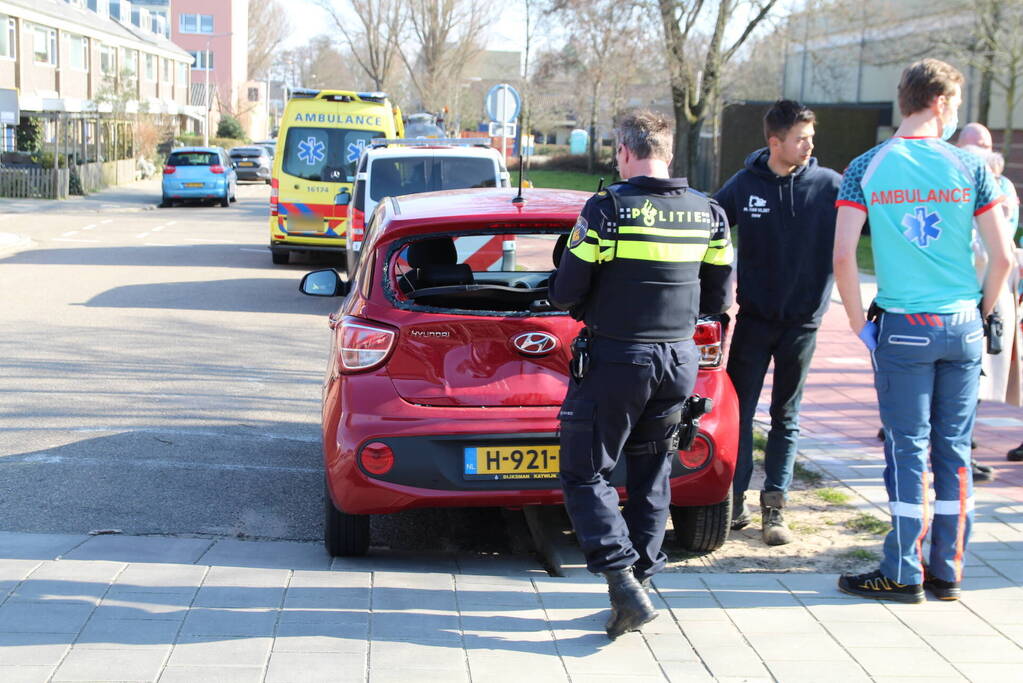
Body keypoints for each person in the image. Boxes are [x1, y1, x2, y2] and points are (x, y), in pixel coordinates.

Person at [833, 58, 1012, 603]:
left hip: (904, 328)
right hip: (961, 324)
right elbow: (1003, 257)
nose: (956, 114)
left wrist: (860, 324)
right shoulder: (971, 168)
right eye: (955, 105)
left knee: (907, 450)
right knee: (953, 450)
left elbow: (843, 254)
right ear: (939, 103)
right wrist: (980, 312)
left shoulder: (867, 165)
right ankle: (948, 570)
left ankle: (903, 570)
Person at [549, 110, 733, 639]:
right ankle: (640, 587)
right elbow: (719, 299)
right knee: (653, 475)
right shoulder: (710, 215)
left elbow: (565, 291)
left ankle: (622, 581)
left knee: (586, 472)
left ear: (625, 152)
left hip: (618, 359)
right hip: (679, 361)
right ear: (668, 152)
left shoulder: (607, 210)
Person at [713, 100, 841, 545]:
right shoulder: (744, 184)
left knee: (787, 416)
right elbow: (709, 228)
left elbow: (864, 229)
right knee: (739, 412)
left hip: (804, 325)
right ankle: (734, 500)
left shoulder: (830, 186)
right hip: (754, 321)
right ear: (775, 142)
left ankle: (776, 506)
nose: (809, 145)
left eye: (811, 136)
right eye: (800, 138)